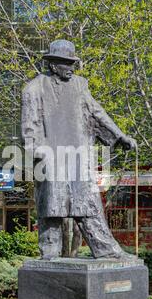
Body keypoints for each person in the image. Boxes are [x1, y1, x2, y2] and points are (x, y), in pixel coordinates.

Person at [21, 39, 137, 259]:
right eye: (67, 64)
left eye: (73, 63)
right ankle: (49, 254)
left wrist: (120, 136)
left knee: (87, 205)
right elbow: (30, 127)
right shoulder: (33, 89)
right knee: (51, 209)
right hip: (51, 159)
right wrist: (37, 151)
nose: (72, 68)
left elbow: (96, 113)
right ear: (54, 65)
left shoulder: (79, 85)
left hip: (78, 159)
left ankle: (106, 250)